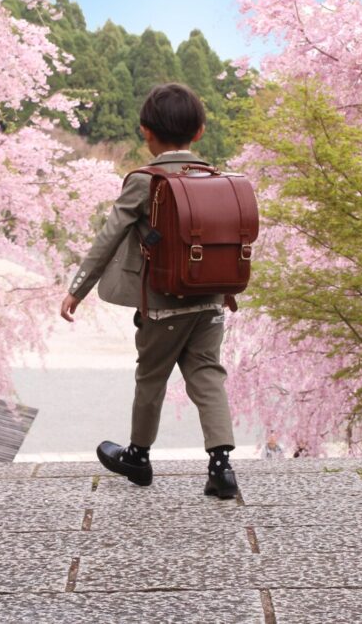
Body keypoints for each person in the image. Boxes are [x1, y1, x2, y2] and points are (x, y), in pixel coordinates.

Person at [59, 83, 238, 500]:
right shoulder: (216, 179)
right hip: (210, 301)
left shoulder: (145, 181)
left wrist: (77, 289)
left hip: (163, 306)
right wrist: (226, 290)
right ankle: (221, 468)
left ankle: (138, 456)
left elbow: (110, 235)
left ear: (145, 132)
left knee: (151, 378)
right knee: (208, 376)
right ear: (199, 132)